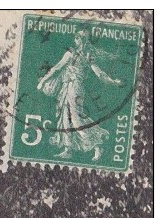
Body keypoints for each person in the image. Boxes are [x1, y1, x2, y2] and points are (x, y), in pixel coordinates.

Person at [36, 30, 124, 162]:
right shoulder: (71, 53)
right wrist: (114, 82)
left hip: (75, 88)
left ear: (80, 40)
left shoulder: (85, 56)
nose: (75, 40)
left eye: (77, 38)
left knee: (76, 119)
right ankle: (68, 149)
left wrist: (113, 82)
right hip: (66, 87)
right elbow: (56, 68)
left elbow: (99, 73)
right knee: (65, 117)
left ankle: (97, 146)